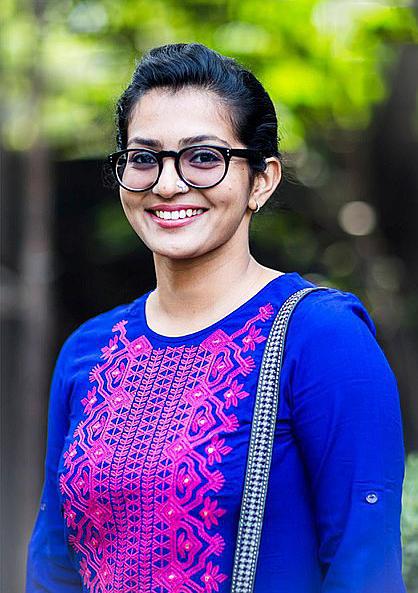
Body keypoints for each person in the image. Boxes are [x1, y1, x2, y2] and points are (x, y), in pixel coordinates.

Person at [26, 43, 406, 593]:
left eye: (203, 157)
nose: (167, 184)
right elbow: (54, 561)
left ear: (262, 180)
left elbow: (363, 564)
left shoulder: (321, 338)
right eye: (144, 158)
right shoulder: (90, 349)